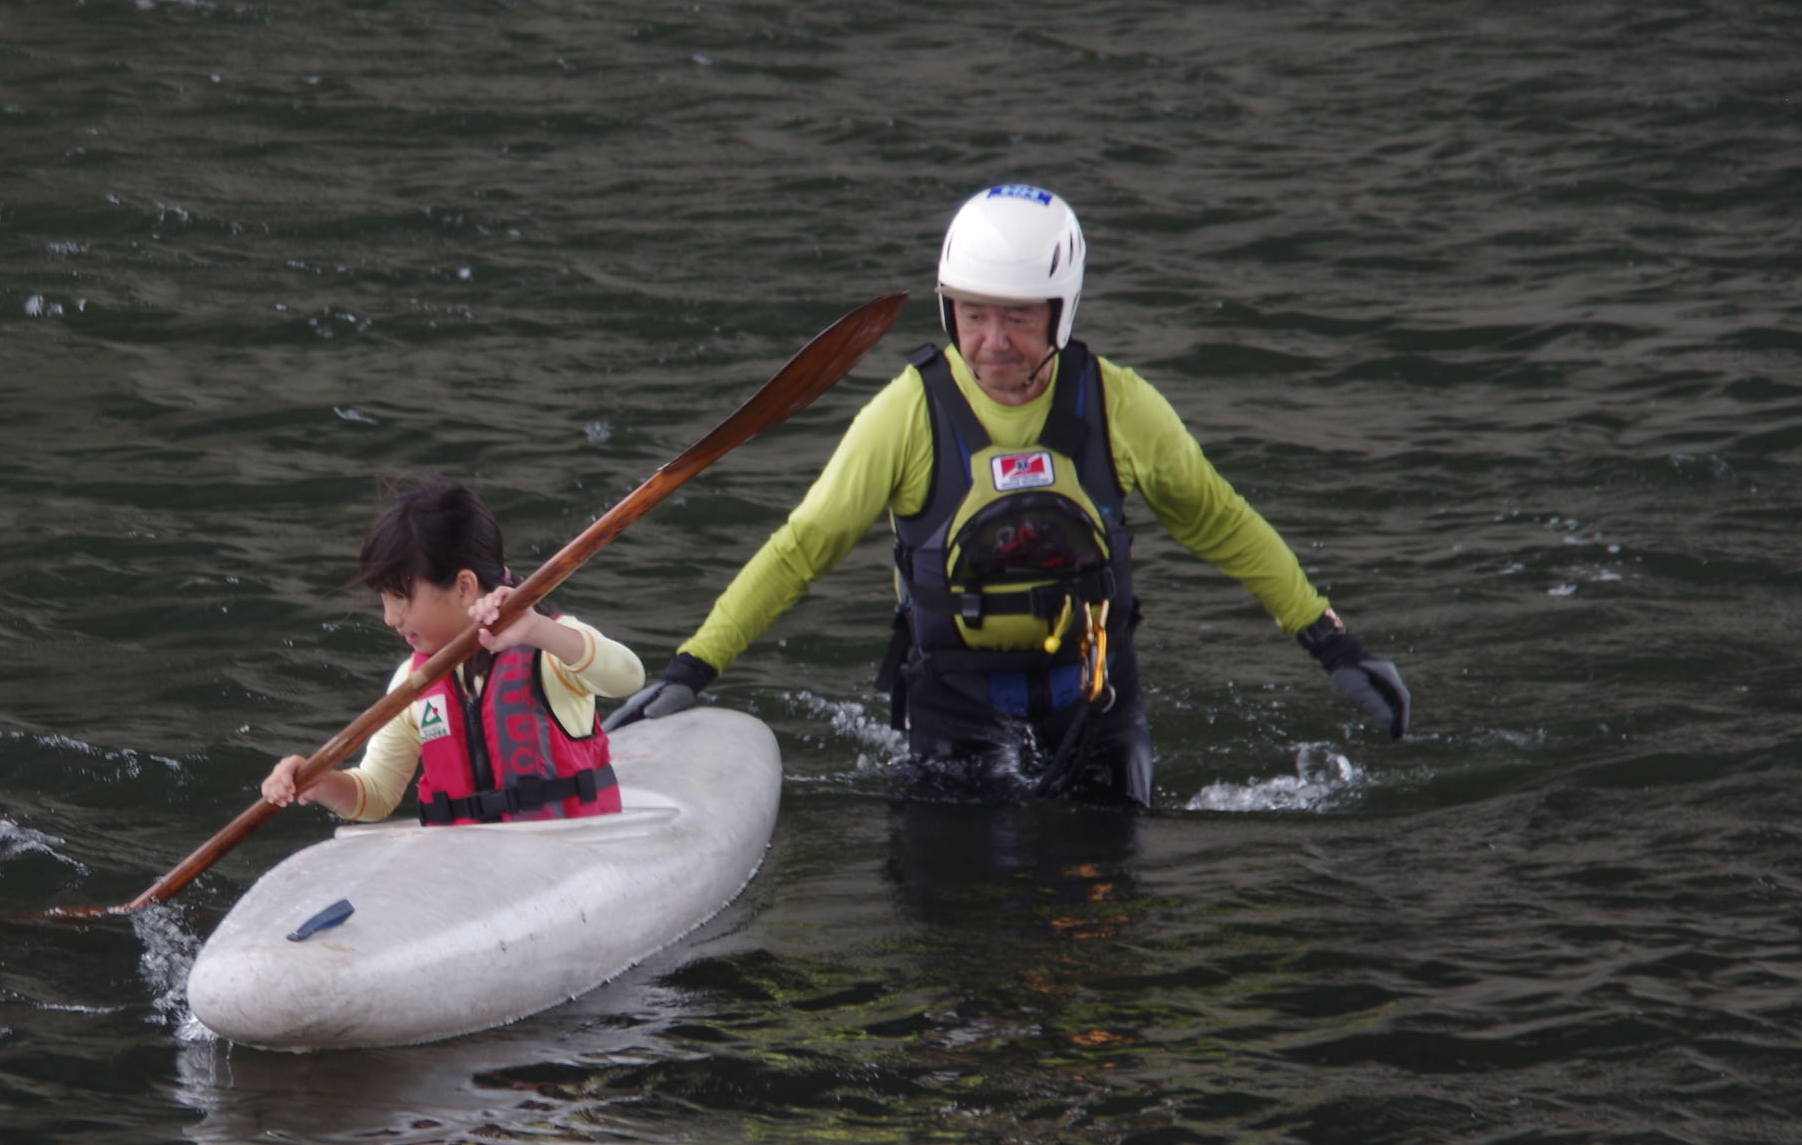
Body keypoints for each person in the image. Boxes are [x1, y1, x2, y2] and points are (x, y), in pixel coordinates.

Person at [609, 183, 1408, 805]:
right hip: (955, 708)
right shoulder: (906, 414)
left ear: (1060, 314)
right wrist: (694, 666)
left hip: (1096, 704)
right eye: (973, 315)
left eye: (1018, 318)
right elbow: (802, 546)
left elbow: (1224, 525)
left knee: (1099, 941)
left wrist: (1333, 643)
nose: (991, 342)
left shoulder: (1121, 407)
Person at [262, 476, 645, 824]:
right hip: (470, 868)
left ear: (463, 587)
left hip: (564, 854)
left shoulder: (548, 645)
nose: (389, 617)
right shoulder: (412, 680)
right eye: (383, 598)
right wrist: (318, 781)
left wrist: (540, 631)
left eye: (400, 596)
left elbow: (628, 677)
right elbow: (377, 794)